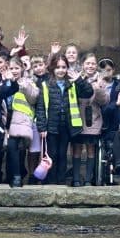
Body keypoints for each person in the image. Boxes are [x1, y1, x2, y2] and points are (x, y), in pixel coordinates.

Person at [35, 54, 93, 186]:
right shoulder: (45, 85)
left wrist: (79, 80)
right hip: (51, 125)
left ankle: (61, 181)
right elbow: (41, 107)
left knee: (62, 154)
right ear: (52, 69)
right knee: (52, 153)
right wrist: (42, 127)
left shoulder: (72, 84)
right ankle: (50, 180)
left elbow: (88, 92)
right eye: (58, 67)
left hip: (67, 125)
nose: (61, 70)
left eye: (64, 67)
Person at [70, 53, 110, 186]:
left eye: (93, 63)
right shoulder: (76, 77)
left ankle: (88, 179)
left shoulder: (101, 80)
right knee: (76, 149)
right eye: (88, 63)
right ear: (83, 65)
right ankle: (76, 179)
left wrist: (98, 89)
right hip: (77, 118)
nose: (90, 66)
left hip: (93, 118)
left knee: (90, 149)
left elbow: (104, 101)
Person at [5, 57, 39, 187]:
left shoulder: (29, 82)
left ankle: (17, 177)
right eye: (11, 68)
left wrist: (24, 86)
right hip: (7, 119)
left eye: (16, 68)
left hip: (21, 121)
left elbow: (33, 99)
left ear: (22, 68)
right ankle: (14, 175)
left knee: (17, 149)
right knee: (10, 150)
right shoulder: (5, 81)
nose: (14, 71)